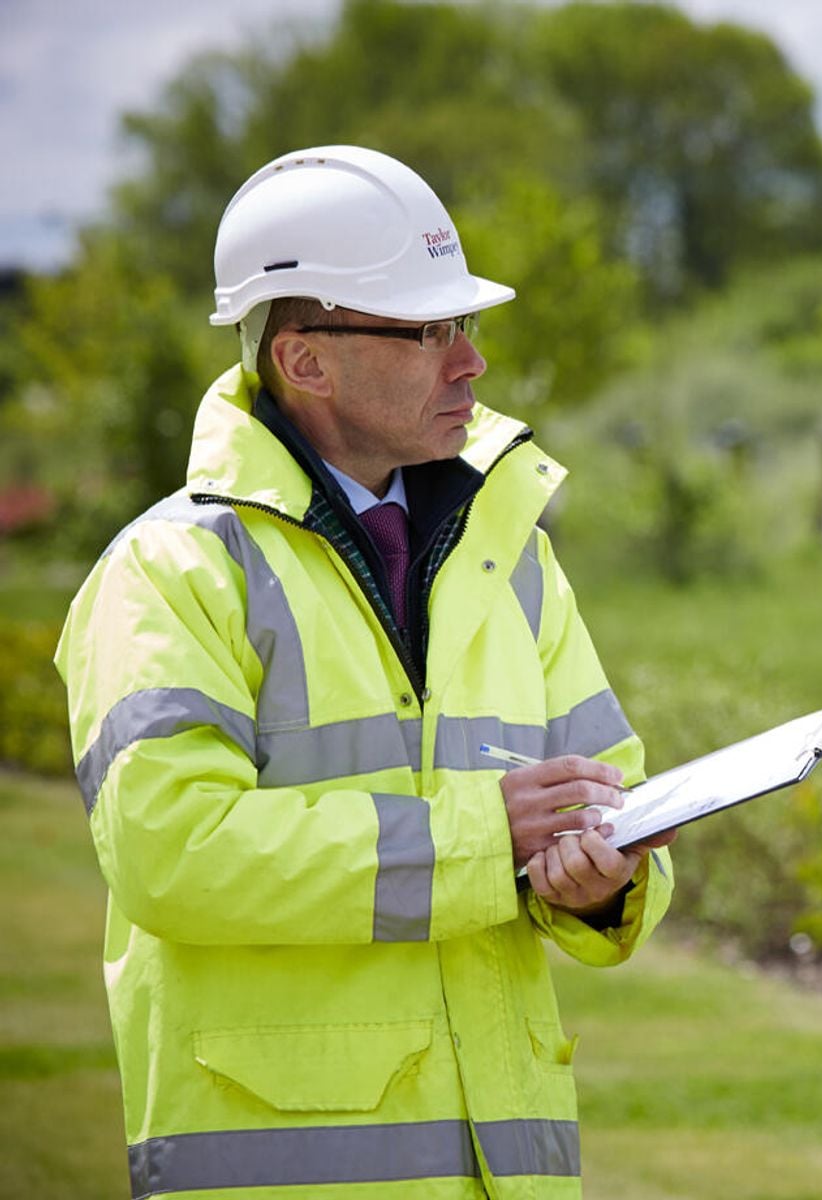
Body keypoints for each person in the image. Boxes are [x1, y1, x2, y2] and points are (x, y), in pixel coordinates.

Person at [54, 145, 675, 1199]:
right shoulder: (170, 574)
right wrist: (491, 835)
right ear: (304, 360)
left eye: (466, 327)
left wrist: (606, 886)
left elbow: (614, 788)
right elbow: (174, 852)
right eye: (430, 331)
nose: (470, 363)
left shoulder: (512, 556)